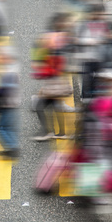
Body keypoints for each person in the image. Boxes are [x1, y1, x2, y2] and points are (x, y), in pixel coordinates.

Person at [31, 13, 74, 141]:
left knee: (42, 105)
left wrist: (40, 68)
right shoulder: (59, 38)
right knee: (54, 105)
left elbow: (49, 60)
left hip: (55, 79)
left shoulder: (55, 39)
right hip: (55, 78)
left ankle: (51, 132)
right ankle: (59, 133)